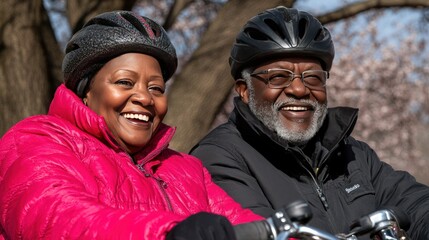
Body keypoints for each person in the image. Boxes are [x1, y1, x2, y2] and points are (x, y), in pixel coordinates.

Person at [0, 10, 264, 240]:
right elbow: (57, 219)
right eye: (125, 82)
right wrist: (167, 233)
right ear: (86, 90)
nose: (145, 98)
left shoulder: (187, 169)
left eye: (156, 88)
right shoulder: (35, 140)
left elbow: (244, 223)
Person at [190, 6, 429, 239]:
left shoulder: (353, 154)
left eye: (313, 77)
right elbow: (261, 231)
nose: (299, 89)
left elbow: (416, 204)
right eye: (278, 77)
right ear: (245, 90)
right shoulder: (218, 157)